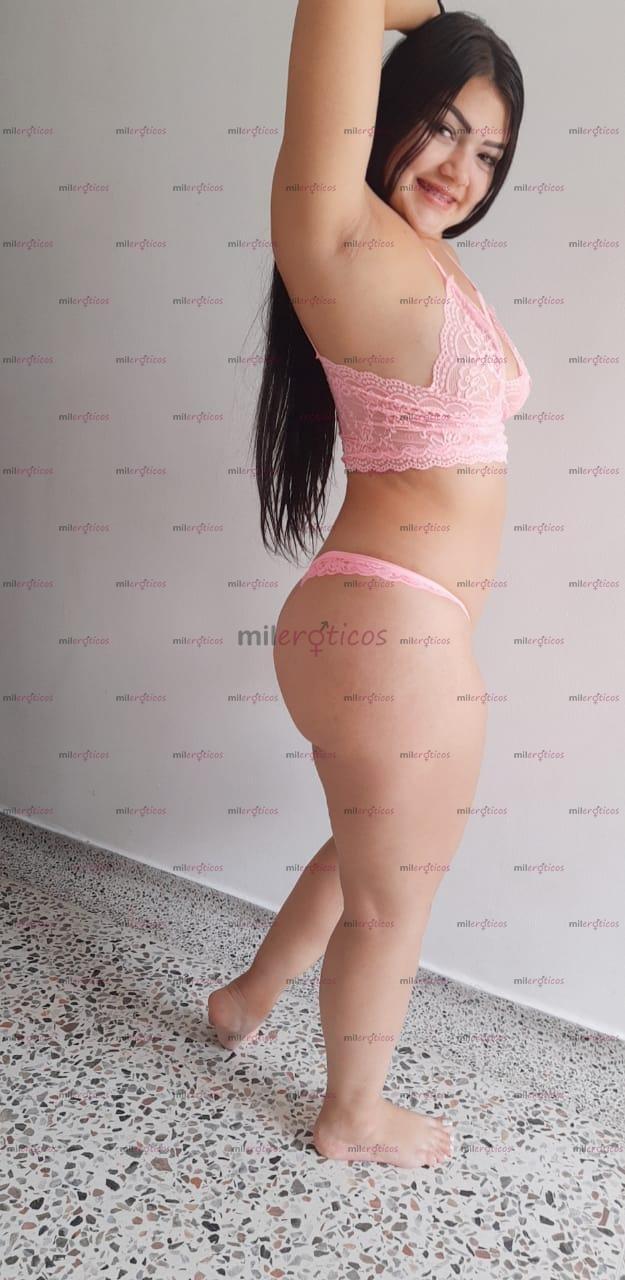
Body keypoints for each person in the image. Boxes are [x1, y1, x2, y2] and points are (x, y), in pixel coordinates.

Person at [208, 0, 531, 1170]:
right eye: (440, 126)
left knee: (363, 857)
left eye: (487, 150)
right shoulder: (339, 237)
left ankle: (245, 998)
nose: (459, 167)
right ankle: (352, 1111)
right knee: (397, 900)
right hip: (395, 630)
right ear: (385, 114)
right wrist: (428, 13)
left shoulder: (417, 257)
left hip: (383, 624)